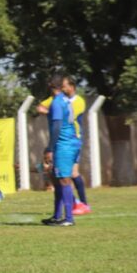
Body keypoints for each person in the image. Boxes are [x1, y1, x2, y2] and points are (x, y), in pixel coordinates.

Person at [37, 77, 90, 215]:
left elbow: (59, 123)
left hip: (69, 140)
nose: (65, 88)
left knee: (66, 176)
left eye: (67, 86)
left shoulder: (69, 101)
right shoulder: (61, 100)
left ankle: (77, 207)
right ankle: (59, 215)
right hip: (66, 140)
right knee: (57, 175)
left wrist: (50, 147)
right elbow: (41, 107)